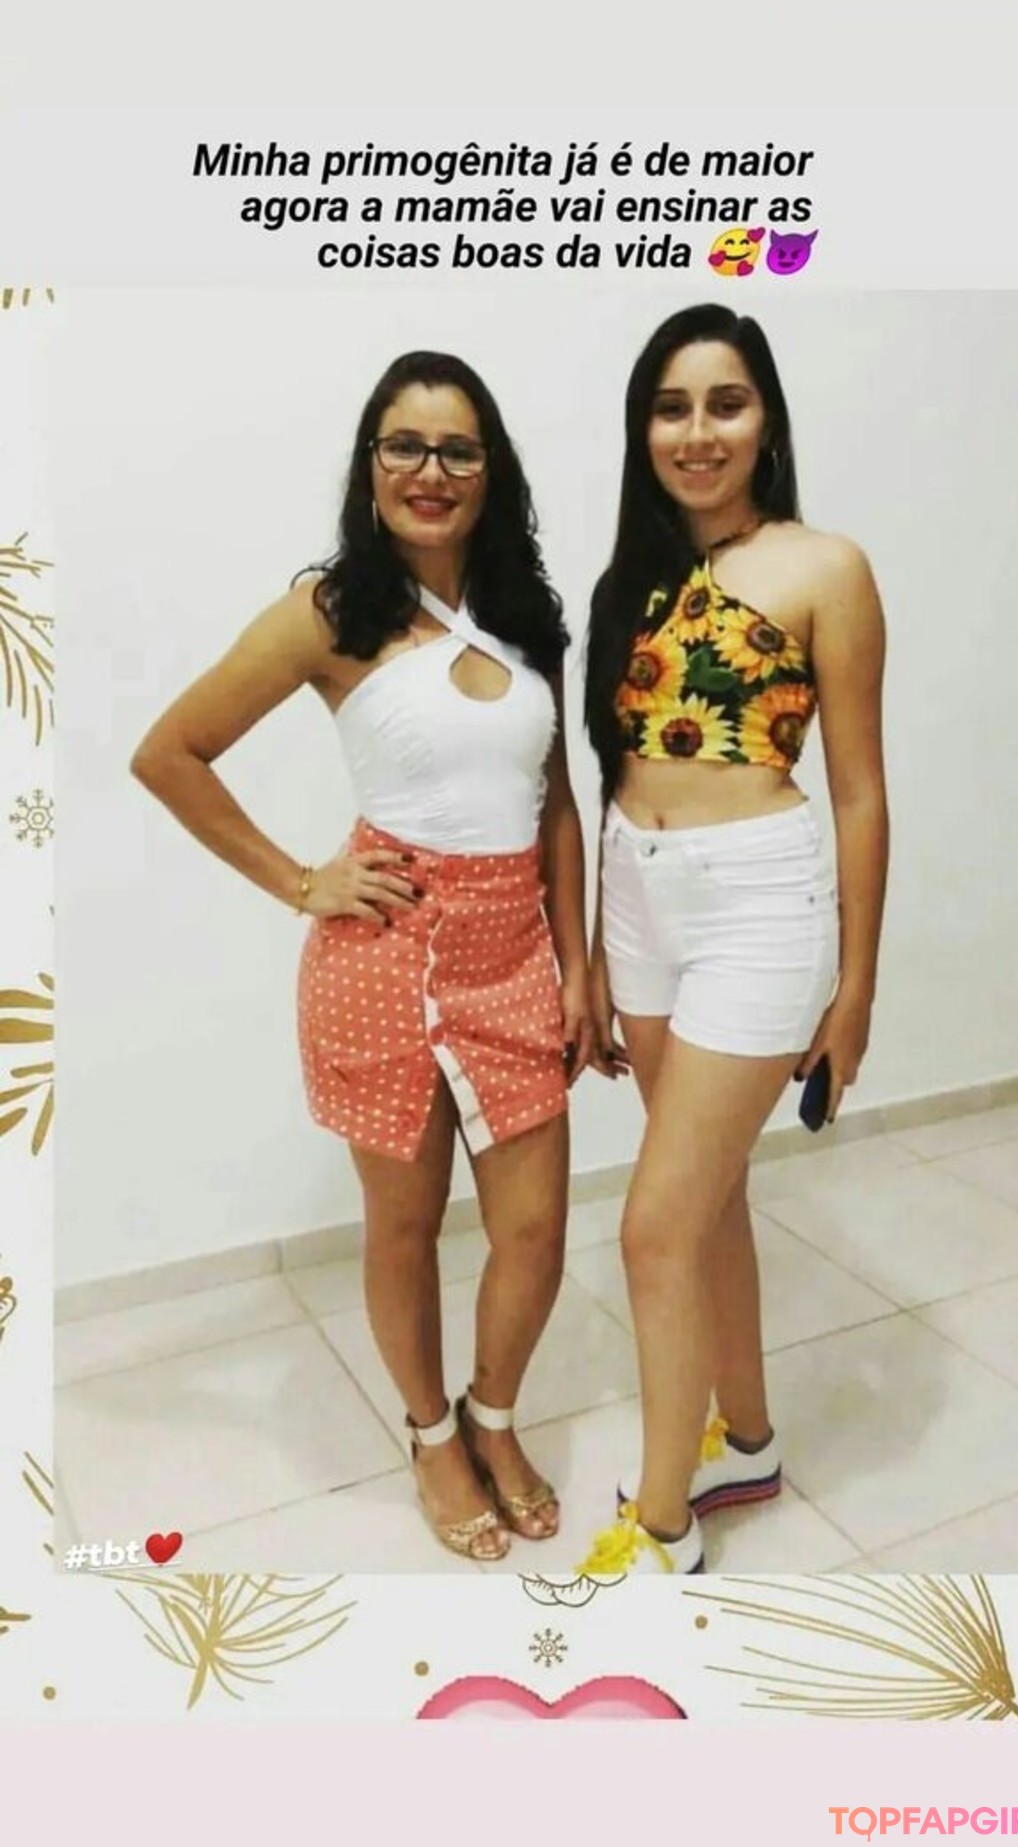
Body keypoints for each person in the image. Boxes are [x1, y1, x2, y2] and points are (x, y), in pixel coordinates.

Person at [131, 350, 592, 1564]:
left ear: (491, 469)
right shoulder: (332, 612)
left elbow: (556, 802)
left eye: (458, 448)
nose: (430, 470)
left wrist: (580, 964)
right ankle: (433, 1433)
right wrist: (302, 880)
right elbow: (169, 751)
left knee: (536, 1226)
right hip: (384, 953)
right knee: (403, 1224)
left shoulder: (527, 612)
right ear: (371, 463)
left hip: (514, 951)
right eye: (405, 445)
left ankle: (494, 1415)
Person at [577, 303, 888, 1575]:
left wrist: (857, 986)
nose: (697, 432)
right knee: (706, 1203)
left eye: (725, 402)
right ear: (642, 428)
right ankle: (746, 1438)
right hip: (638, 897)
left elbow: (860, 790)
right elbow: (611, 769)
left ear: (767, 420)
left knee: (652, 1224)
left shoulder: (825, 566)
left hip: (758, 900)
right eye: (671, 407)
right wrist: (599, 944)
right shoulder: (629, 581)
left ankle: (662, 1522)